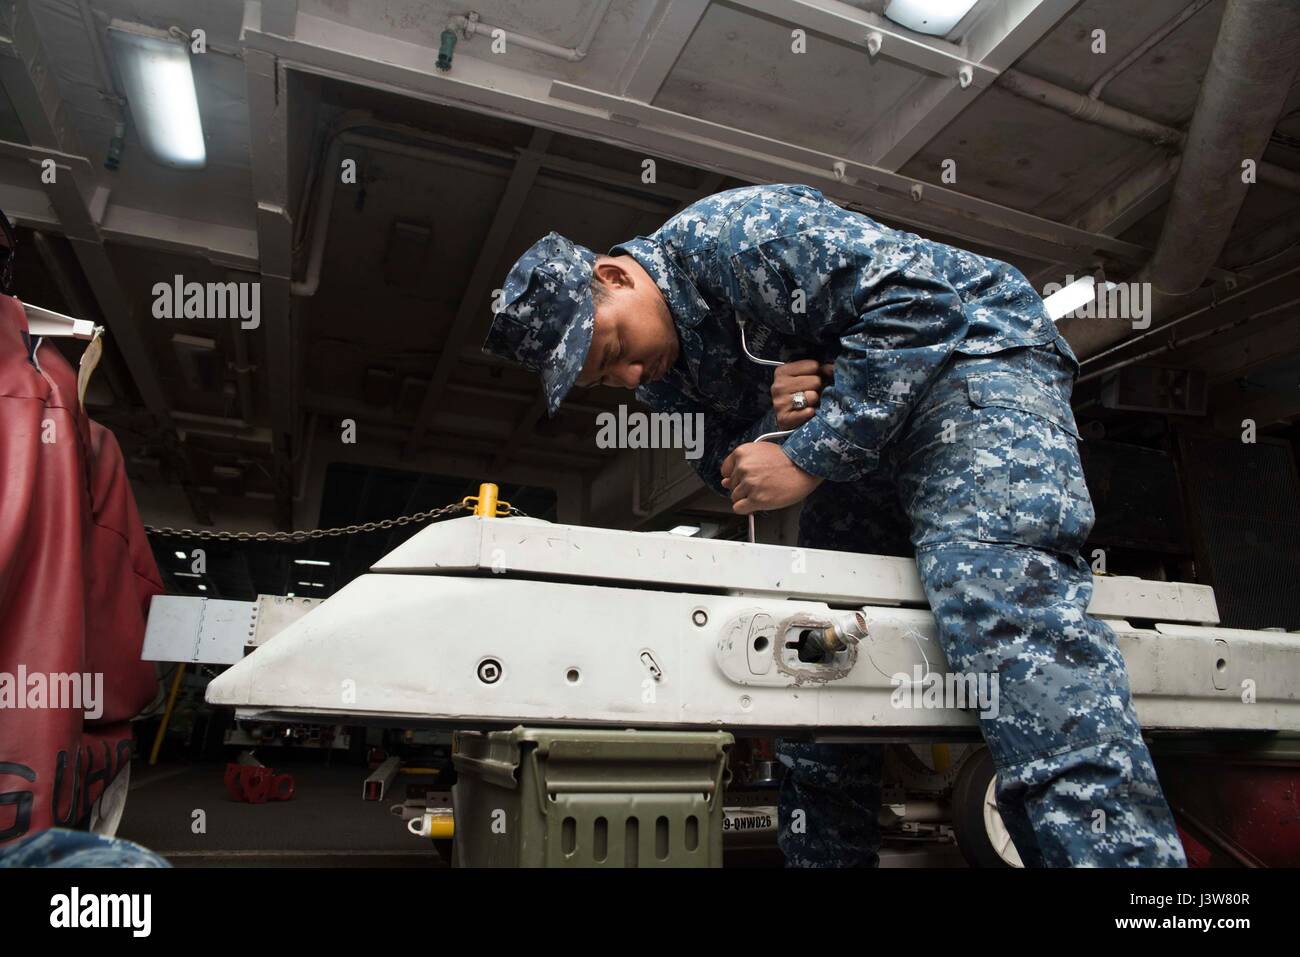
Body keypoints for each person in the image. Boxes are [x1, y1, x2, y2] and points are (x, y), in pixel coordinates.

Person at [482, 183, 1186, 867]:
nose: (632, 376)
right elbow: (724, 463)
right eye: (608, 380)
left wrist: (811, 452)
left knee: (993, 606)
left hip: (972, 362)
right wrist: (777, 421)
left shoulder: (741, 235)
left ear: (613, 275)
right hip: (871, 430)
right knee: (814, 651)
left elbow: (920, 306)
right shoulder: (663, 373)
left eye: (614, 350)